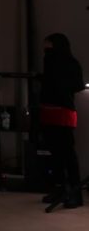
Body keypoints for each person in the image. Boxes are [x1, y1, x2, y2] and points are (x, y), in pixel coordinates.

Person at [40, 33, 85, 208]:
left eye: (49, 47)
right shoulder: (52, 62)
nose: (46, 52)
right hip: (49, 109)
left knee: (67, 153)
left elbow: (77, 85)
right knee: (55, 152)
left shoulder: (69, 63)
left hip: (63, 111)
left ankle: (75, 192)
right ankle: (60, 187)